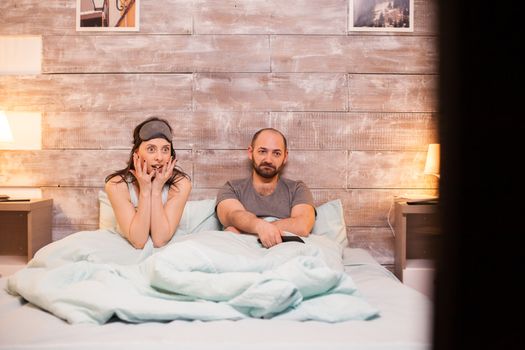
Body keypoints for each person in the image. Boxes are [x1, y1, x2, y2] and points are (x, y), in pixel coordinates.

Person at [215, 128, 316, 248]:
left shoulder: (297, 189)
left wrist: (257, 228)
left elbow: (302, 225)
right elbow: (232, 216)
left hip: (284, 250)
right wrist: (259, 227)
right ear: (250, 152)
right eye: (262, 151)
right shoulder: (232, 188)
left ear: (285, 157)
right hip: (242, 250)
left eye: (276, 153)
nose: (268, 160)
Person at [104, 116, 191, 249]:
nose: (159, 158)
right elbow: (138, 241)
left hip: (169, 248)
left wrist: (156, 189)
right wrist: (145, 190)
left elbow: (160, 240)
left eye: (165, 149)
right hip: (126, 247)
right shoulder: (116, 185)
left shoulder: (181, 184)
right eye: (151, 149)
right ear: (137, 153)